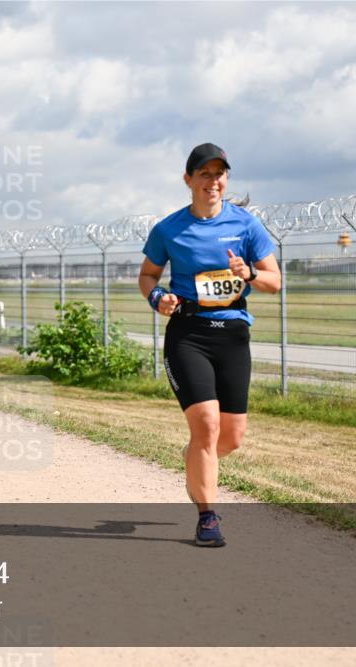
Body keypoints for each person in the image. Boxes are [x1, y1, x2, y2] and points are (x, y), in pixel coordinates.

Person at [138, 143, 281, 548]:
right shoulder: (169, 229)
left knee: (230, 437)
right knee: (206, 426)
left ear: (226, 180)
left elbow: (274, 282)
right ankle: (207, 518)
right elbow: (147, 276)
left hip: (233, 335)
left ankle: (198, 461)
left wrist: (249, 272)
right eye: (204, 173)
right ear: (188, 180)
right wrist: (157, 298)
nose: (212, 181)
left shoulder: (247, 225)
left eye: (219, 173)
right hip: (189, 334)